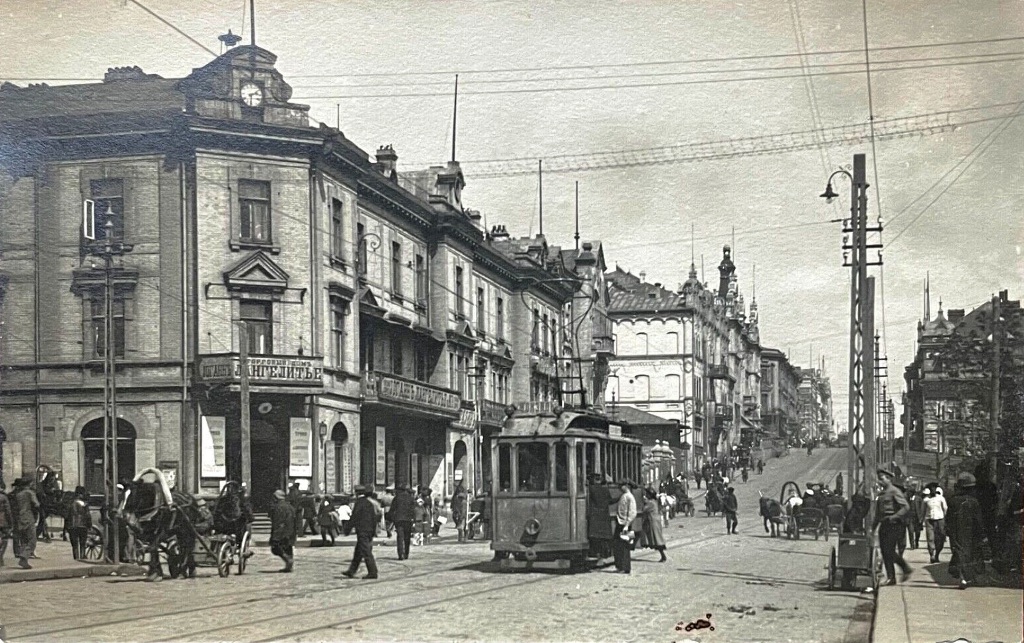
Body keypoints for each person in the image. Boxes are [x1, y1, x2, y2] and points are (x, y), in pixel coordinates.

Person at [873, 469, 912, 586]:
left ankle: (904, 568)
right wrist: (873, 527)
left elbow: (906, 507)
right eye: (879, 479)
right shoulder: (882, 494)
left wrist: (894, 517)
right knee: (885, 552)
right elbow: (878, 513)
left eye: (882, 479)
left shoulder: (894, 491)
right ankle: (892, 577)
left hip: (893, 524)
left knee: (889, 550)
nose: (880, 481)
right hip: (884, 524)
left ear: (889, 479)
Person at [946, 472, 985, 589]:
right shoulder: (974, 502)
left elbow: (948, 519)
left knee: (959, 553)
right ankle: (966, 577)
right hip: (970, 532)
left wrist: (948, 531)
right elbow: (978, 520)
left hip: (956, 532)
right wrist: (982, 534)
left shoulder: (953, 501)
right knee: (970, 554)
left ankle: (962, 577)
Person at [342, 485, 379, 579]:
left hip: (362, 530)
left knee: (366, 551)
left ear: (356, 493)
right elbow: (374, 518)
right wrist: (373, 531)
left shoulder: (359, 503)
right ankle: (351, 571)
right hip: (369, 530)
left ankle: (372, 572)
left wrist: (347, 529)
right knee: (358, 552)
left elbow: (354, 517)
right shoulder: (369, 503)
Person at [12, 477, 40, 568]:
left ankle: (23, 558)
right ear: (28, 484)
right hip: (28, 517)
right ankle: (24, 557)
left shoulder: (18, 494)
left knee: (24, 539)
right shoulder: (30, 493)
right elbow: (36, 504)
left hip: (20, 518)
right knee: (32, 540)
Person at [612, 480, 637, 574]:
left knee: (625, 547)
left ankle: (625, 567)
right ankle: (620, 566)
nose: (619, 487)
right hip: (621, 523)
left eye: (621, 485)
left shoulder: (629, 497)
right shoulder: (624, 496)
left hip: (625, 525)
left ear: (626, 486)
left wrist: (627, 525)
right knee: (618, 545)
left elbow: (632, 512)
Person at [586, 474, 613, 562]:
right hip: (604, 516)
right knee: (603, 537)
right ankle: (603, 555)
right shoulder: (605, 489)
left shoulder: (591, 489)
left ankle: (596, 554)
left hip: (594, 516)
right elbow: (610, 500)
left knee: (595, 538)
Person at [269, 489, 296, 573]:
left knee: (276, 548)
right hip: (291, 531)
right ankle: (289, 566)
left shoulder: (279, 507)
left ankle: (288, 560)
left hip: (282, 531)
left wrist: (275, 535)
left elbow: (278, 521)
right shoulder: (290, 506)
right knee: (288, 547)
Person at [389, 484, 415, 560]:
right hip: (408, 520)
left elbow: (392, 509)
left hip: (399, 520)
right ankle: (406, 554)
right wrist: (413, 519)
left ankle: (400, 554)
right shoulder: (411, 498)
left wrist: (391, 518)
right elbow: (413, 509)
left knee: (400, 537)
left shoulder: (396, 498)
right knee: (407, 537)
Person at [642, 488, 667, 562]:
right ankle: (662, 555)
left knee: (657, 539)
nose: (646, 495)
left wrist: (644, 502)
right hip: (655, 521)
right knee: (657, 538)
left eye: (647, 494)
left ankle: (663, 556)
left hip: (653, 522)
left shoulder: (651, 503)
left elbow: (644, 509)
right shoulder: (654, 501)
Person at [923, 487, 947, 563]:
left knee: (940, 538)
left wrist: (945, 519)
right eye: (931, 490)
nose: (933, 491)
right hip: (929, 520)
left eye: (934, 490)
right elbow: (923, 510)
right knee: (930, 538)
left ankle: (937, 554)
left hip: (939, 520)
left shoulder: (941, 498)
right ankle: (932, 555)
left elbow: (945, 509)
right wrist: (921, 520)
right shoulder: (926, 500)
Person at [67, 486, 92, 561]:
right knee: (82, 543)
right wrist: (89, 525)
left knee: (74, 544)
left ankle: (76, 557)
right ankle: (82, 556)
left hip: (72, 525)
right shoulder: (84, 504)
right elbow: (88, 515)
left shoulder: (70, 503)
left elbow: (67, 515)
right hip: (82, 525)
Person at [0, 482, 14, 567]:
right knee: (4, 539)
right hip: (2, 521)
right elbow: (8, 511)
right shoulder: (3, 497)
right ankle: (0, 557)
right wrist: (11, 523)